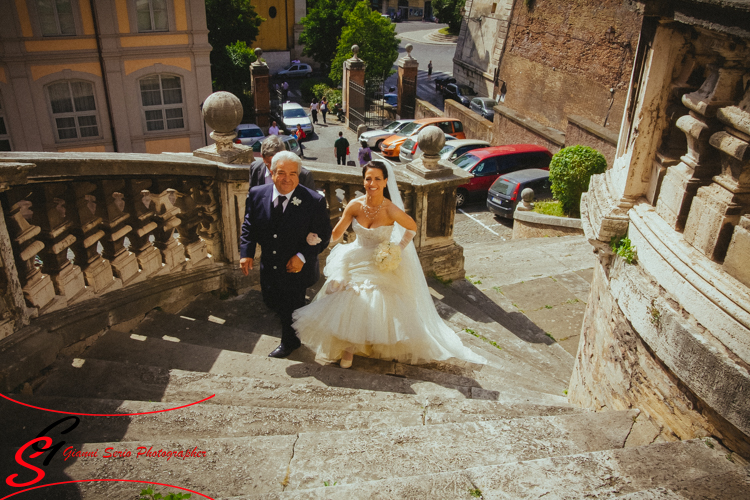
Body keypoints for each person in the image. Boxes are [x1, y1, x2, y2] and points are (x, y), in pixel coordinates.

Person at [293, 161, 487, 368]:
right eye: (368, 178)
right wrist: (318, 239)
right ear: (363, 180)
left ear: (385, 181)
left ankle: (368, 343)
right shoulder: (354, 205)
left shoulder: (391, 209)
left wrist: (396, 249)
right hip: (355, 256)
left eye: (378, 178)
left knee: (376, 298)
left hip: (380, 261)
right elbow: (336, 234)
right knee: (348, 295)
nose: (372, 183)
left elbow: (411, 228)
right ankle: (349, 346)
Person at [240, 151, 332, 358]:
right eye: (281, 173)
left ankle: (290, 342)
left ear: (299, 175)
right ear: (271, 173)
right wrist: (246, 252)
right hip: (269, 265)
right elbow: (249, 225)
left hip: (296, 268)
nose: (287, 178)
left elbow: (323, 235)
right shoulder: (256, 194)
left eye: (292, 173)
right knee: (272, 301)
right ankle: (290, 325)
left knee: (291, 305)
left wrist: (302, 256)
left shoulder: (313, 200)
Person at [249, 135, 315, 190]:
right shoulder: (255, 168)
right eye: (269, 163)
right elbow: (252, 197)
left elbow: (311, 203)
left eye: (277, 163)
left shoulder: (303, 175)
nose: (273, 168)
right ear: (262, 158)